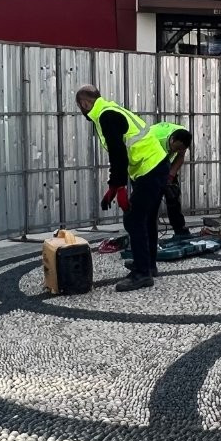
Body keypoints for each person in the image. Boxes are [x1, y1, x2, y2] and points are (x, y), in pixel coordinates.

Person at [75, 85, 170, 292]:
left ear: (84, 104)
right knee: (146, 217)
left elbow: (118, 155)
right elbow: (122, 152)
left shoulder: (106, 116)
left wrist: (118, 187)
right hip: (155, 165)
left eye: (80, 107)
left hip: (150, 168)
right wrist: (113, 186)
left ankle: (142, 273)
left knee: (134, 218)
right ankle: (148, 264)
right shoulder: (109, 109)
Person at [152, 122, 194, 239]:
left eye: (181, 149)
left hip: (165, 162)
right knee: (150, 200)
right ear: (171, 140)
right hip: (146, 163)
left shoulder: (183, 138)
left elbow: (180, 158)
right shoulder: (155, 138)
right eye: (176, 148)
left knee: (173, 194)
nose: (177, 151)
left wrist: (170, 177)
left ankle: (180, 229)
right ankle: (147, 234)